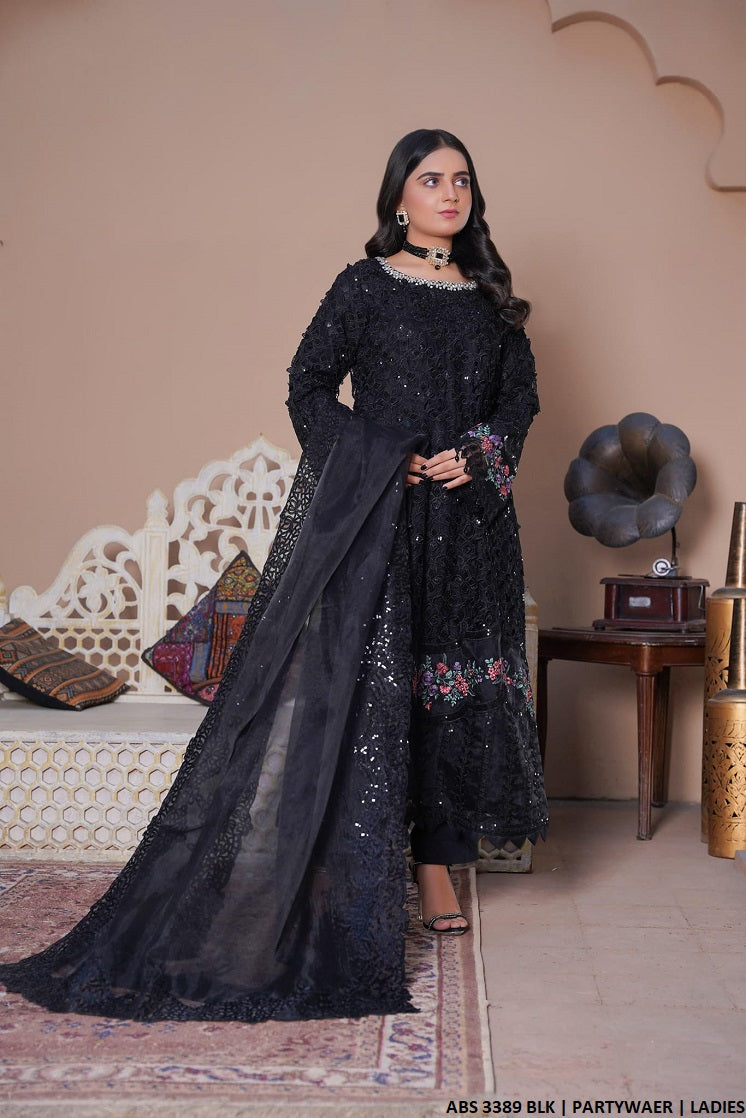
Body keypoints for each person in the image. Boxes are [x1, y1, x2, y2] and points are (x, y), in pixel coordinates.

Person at [0, 128, 547, 1022]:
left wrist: (480, 452)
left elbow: (520, 398)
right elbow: (307, 386)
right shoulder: (363, 286)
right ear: (398, 197)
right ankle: (353, 874)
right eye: (430, 180)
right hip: (378, 523)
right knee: (377, 699)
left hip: (470, 529)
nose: (450, 194)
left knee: (449, 696)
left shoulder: (492, 299)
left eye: (461, 180)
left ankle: (437, 870)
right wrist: (384, 455)